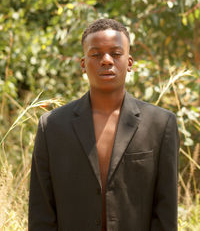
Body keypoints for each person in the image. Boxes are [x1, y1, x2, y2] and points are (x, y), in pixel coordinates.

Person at [28, 18, 179, 231]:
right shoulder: (52, 126)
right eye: (96, 54)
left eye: (116, 54)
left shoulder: (160, 124)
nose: (106, 60)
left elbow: (166, 211)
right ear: (83, 64)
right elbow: (41, 211)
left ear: (129, 63)